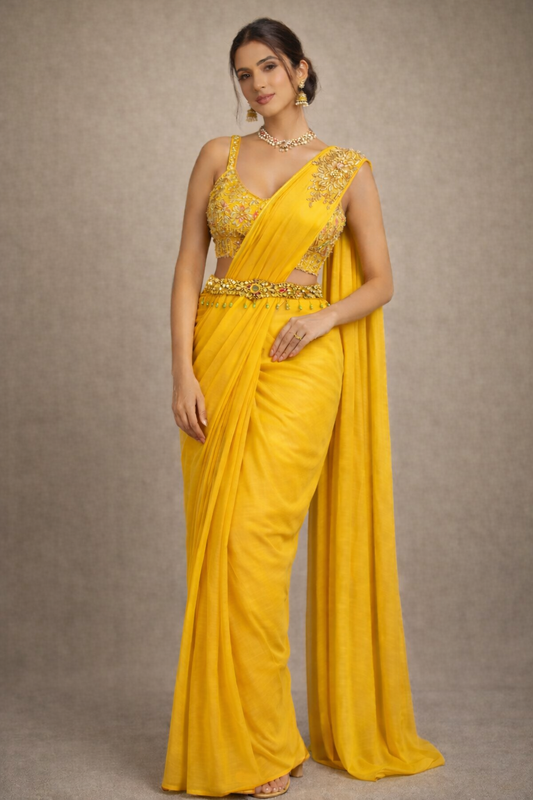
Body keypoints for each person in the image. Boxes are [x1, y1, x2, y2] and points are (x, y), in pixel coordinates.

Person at [162, 16, 445, 799]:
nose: (257, 84)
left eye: (269, 68)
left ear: (300, 70)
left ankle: (260, 742)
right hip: (217, 353)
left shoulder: (346, 168)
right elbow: (188, 264)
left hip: (299, 360)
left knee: (255, 541)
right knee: (217, 549)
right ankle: (253, 739)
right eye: (243, 74)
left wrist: (321, 316)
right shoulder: (216, 155)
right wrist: (180, 372)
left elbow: (380, 279)